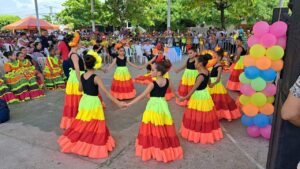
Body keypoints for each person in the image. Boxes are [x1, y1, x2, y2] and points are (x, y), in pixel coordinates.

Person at [57, 52, 126, 159]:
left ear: (85, 65)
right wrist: (118, 103)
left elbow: (80, 89)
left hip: (84, 101)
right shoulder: (96, 78)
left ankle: (80, 139)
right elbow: (106, 93)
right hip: (93, 102)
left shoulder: (82, 76)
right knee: (95, 123)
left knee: (83, 122)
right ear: (95, 65)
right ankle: (91, 142)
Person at [127, 60, 183, 162]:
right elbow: (175, 92)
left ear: (159, 73)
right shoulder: (168, 81)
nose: (150, 72)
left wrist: (129, 104)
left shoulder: (152, 84)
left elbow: (141, 96)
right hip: (162, 105)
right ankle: (162, 145)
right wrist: (181, 98)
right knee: (162, 124)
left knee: (152, 125)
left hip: (152, 106)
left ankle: (154, 146)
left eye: (152, 70)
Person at [177, 54, 223, 144]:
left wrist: (184, 98)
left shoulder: (200, 76)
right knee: (205, 114)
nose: (194, 63)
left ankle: (198, 131)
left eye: (196, 62)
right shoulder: (207, 71)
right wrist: (213, 84)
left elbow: (193, 89)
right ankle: (205, 130)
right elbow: (209, 84)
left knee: (197, 114)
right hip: (205, 95)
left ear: (200, 64)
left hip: (198, 96)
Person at [60, 32, 85, 129]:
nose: (81, 43)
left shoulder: (73, 53)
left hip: (74, 76)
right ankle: (79, 117)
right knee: (79, 98)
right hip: (76, 78)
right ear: (76, 43)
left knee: (77, 99)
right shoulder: (74, 54)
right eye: (80, 42)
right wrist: (80, 82)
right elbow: (77, 69)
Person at [208, 48, 241, 121]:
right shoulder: (215, 64)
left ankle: (219, 114)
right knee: (212, 99)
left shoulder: (219, 66)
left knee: (218, 100)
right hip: (211, 83)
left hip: (216, 84)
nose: (214, 57)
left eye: (215, 56)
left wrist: (213, 84)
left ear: (219, 57)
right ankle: (213, 113)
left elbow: (219, 78)